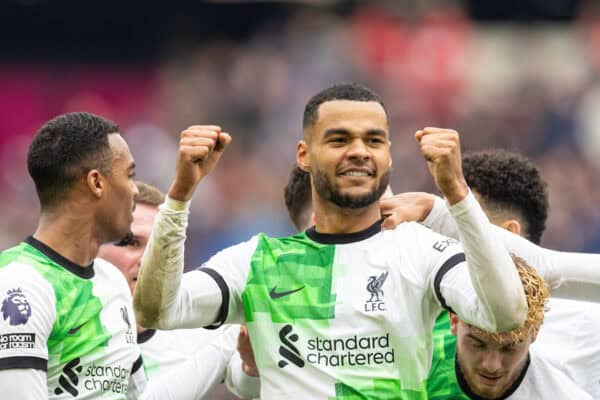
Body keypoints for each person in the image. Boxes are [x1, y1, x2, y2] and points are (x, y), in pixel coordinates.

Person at [133, 82, 528, 399]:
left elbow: (505, 315)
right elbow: (157, 311)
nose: (359, 151)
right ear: (304, 155)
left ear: (389, 155)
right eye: (339, 140)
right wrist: (181, 194)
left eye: (373, 141)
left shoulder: (422, 252)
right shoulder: (256, 261)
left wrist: (456, 193)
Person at [381, 149, 600, 397]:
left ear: (535, 332)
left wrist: (442, 211)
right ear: (456, 322)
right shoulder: (432, 306)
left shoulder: (585, 328)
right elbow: (549, 267)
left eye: (509, 348)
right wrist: (437, 212)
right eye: (478, 343)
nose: (492, 364)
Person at [0, 112, 145, 399]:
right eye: (129, 175)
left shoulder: (112, 281)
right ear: (96, 182)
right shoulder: (20, 286)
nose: (135, 190)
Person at [98, 181, 260, 399]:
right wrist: (228, 340)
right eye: (132, 242)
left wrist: (250, 366)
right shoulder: (63, 324)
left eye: (161, 247)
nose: (150, 260)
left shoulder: (198, 326)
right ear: (93, 249)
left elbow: (246, 387)